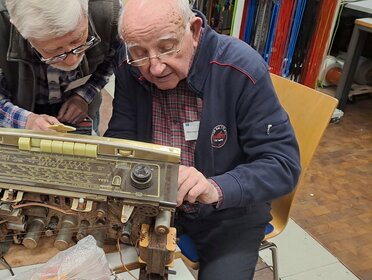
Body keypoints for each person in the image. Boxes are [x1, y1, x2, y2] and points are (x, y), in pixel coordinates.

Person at [105, 0, 301, 279]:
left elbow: (283, 166)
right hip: (153, 202)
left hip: (228, 212)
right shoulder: (129, 66)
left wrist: (214, 188)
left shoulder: (240, 67)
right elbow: (122, 135)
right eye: (140, 53)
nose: (156, 67)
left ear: (195, 31)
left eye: (166, 47)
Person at [0, 0, 120, 131]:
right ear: (20, 31)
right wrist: (27, 121)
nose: (72, 60)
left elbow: (110, 61)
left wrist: (84, 96)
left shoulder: (108, 10)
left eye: (78, 40)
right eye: (54, 52)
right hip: (17, 111)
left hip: (81, 108)